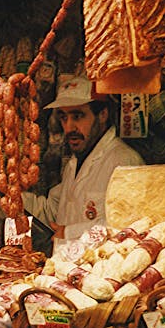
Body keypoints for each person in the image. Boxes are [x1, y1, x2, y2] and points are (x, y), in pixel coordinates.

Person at [22, 72, 145, 247]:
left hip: (100, 271)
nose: (69, 127)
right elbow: (51, 212)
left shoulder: (124, 161)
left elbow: (131, 227)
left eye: (77, 116)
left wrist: (69, 232)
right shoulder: (74, 164)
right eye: (63, 117)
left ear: (102, 115)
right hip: (67, 269)